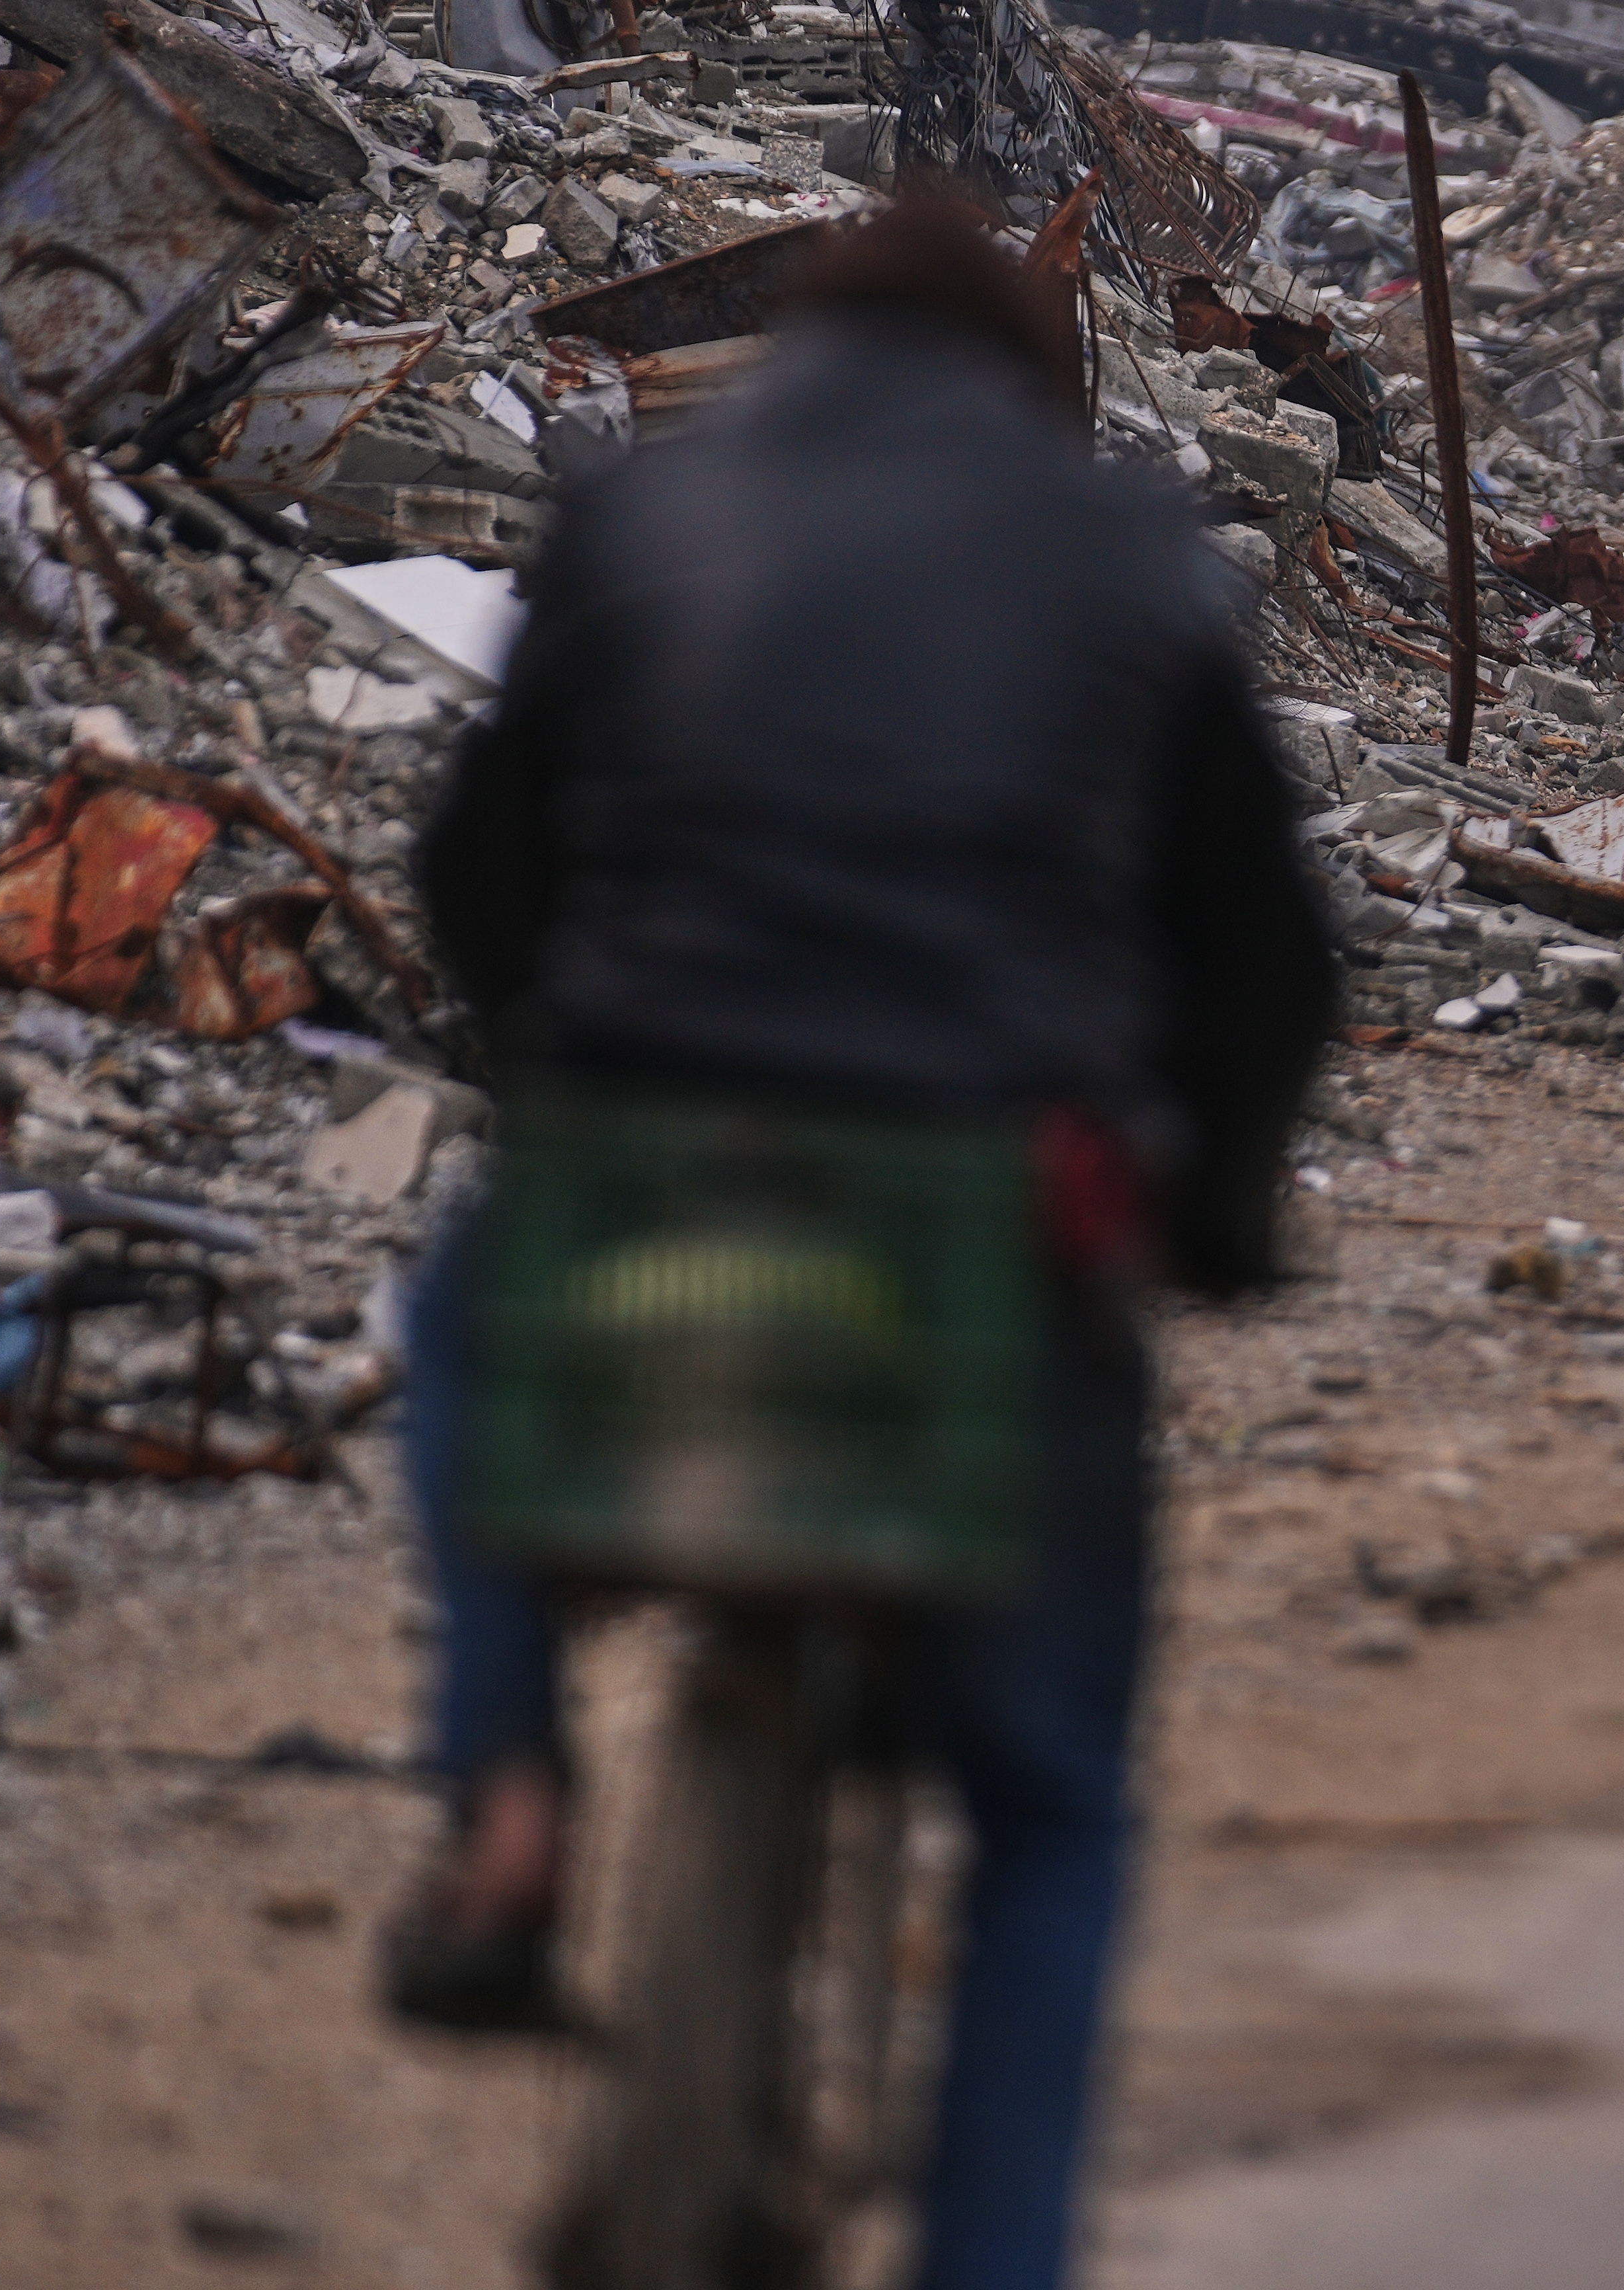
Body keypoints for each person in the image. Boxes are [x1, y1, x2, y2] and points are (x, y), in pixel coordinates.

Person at [387, 192, 1338, 2290]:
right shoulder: (1130, 559)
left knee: (457, 1298)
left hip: (647, 1173)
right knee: (1048, 1799)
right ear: (1028, 381)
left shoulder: (646, 527)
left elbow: (477, 871)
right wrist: (1219, 1212)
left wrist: (562, 1093)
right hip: (982, 1207)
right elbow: (1262, 957)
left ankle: (511, 1772)